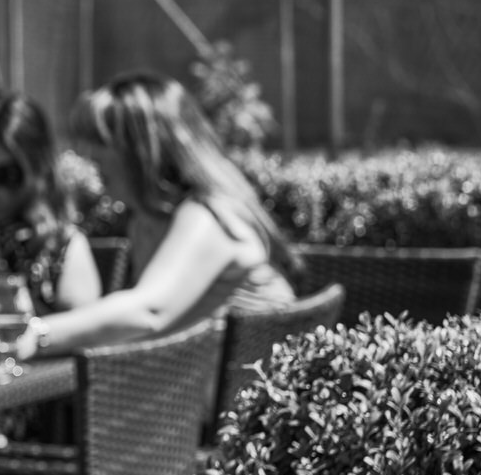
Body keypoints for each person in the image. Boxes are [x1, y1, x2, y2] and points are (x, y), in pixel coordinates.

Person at [15, 72, 296, 360]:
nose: (89, 155)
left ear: (143, 150)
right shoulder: (146, 222)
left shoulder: (207, 217)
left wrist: (35, 334)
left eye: (100, 140)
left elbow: (149, 312)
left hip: (247, 396)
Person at [0, 91, 101, 315]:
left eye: (8, 174)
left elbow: (85, 332)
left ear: (38, 170)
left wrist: (2, 286)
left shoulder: (61, 246)